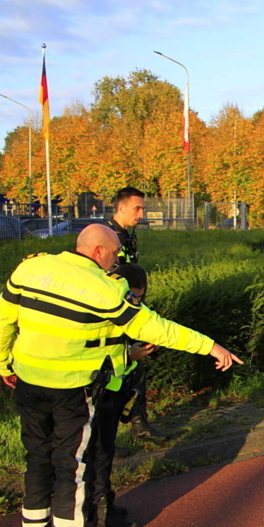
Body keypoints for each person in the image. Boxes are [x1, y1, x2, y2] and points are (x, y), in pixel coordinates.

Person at [0, 224, 241, 527]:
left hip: (29, 383)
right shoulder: (105, 291)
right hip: (73, 390)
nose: (116, 260)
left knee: (37, 460)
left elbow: (1, 323)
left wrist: (4, 363)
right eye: (114, 253)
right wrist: (209, 345)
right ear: (97, 251)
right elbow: (157, 328)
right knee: (70, 467)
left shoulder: (30, 269)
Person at [84, 263, 153, 527]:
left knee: (101, 451)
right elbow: (98, 349)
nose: (135, 303)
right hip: (98, 389)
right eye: (133, 297)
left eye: (139, 298)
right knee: (98, 452)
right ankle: (101, 510)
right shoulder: (105, 306)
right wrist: (128, 354)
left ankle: (97, 506)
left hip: (108, 387)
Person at [105, 186, 168, 444]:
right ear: (120, 207)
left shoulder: (125, 235)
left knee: (137, 367)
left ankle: (139, 426)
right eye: (137, 208)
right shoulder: (108, 238)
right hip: (115, 317)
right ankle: (107, 435)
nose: (141, 213)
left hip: (129, 313)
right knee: (117, 375)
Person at [106, 187, 143, 265]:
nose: (141, 215)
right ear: (121, 209)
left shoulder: (123, 233)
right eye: (137, 209)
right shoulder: (107, 236)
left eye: (143, 209)